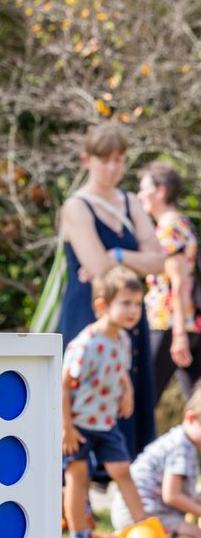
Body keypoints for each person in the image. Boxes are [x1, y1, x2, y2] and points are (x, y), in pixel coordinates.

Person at [58, 122, 165, 461]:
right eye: (105, 159)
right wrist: (131, 262)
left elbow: (159, 261)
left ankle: (123, 475)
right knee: (82, 397)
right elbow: (98, 270)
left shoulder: (131, 202)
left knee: (129, 399)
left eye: (119, 159)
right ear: (86, 159)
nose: (113, 167)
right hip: (89, 314)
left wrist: (118, 255)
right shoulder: (76, 206)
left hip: (129, 317)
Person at [62, 266, 148, 538]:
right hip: (78, 424)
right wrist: (66, 427)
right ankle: (79, 535)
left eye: (137, 304)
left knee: (122, 469)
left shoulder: (123, 339)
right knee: (78, 475)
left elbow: (121, 370)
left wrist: (128, 392)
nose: (133, 310)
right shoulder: (86, 344)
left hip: (106, 422)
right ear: (102, 305)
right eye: (125, 303)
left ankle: (144, 529)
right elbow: (62, 384)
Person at [136, 162, 201, 404]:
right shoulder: (181, 222)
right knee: (196, 401)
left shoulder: (170, 226)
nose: (141, 195)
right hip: (186, 324)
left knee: (143, 399)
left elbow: (179, 279)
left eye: (145, 188)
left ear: (160, 191)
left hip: (168, 324)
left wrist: (179, 334)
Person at [110, 382, 201, 538]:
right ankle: (137, 536)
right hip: (141, 512)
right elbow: (171, 496)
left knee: (191, 535)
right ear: (192, 418)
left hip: (132, 510)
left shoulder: (183, 441)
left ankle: (138, 535)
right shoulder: (181, 447)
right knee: (196, 534)